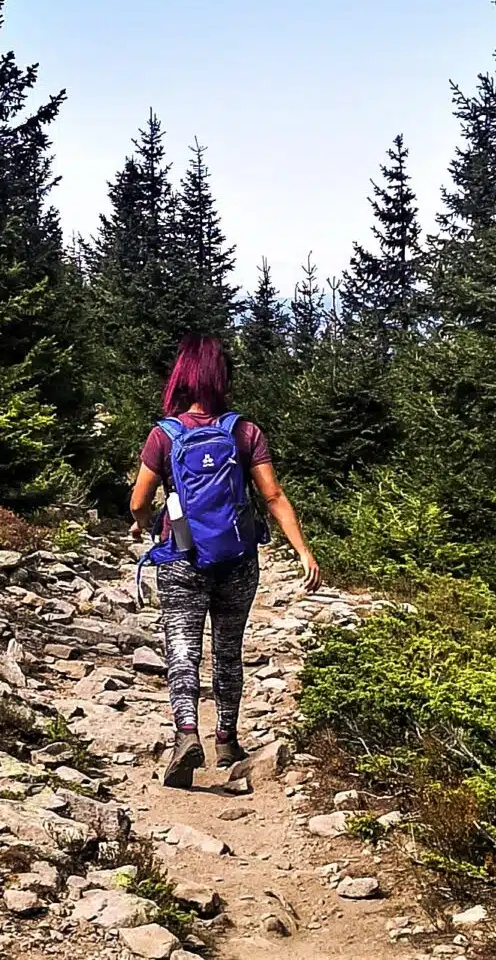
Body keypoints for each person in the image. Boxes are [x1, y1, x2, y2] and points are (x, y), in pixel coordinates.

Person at [129, 334, 320, 788]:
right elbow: (271, 495)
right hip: (237, 557)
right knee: (228, 649)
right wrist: (303, 549)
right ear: (222, 379)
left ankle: (185, 733)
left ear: (183, 377)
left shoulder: (166, 434)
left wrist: (143, 522)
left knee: (182, 646)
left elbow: (139, 499)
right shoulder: (244, 432)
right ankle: (227, 739)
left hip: (182, 556)